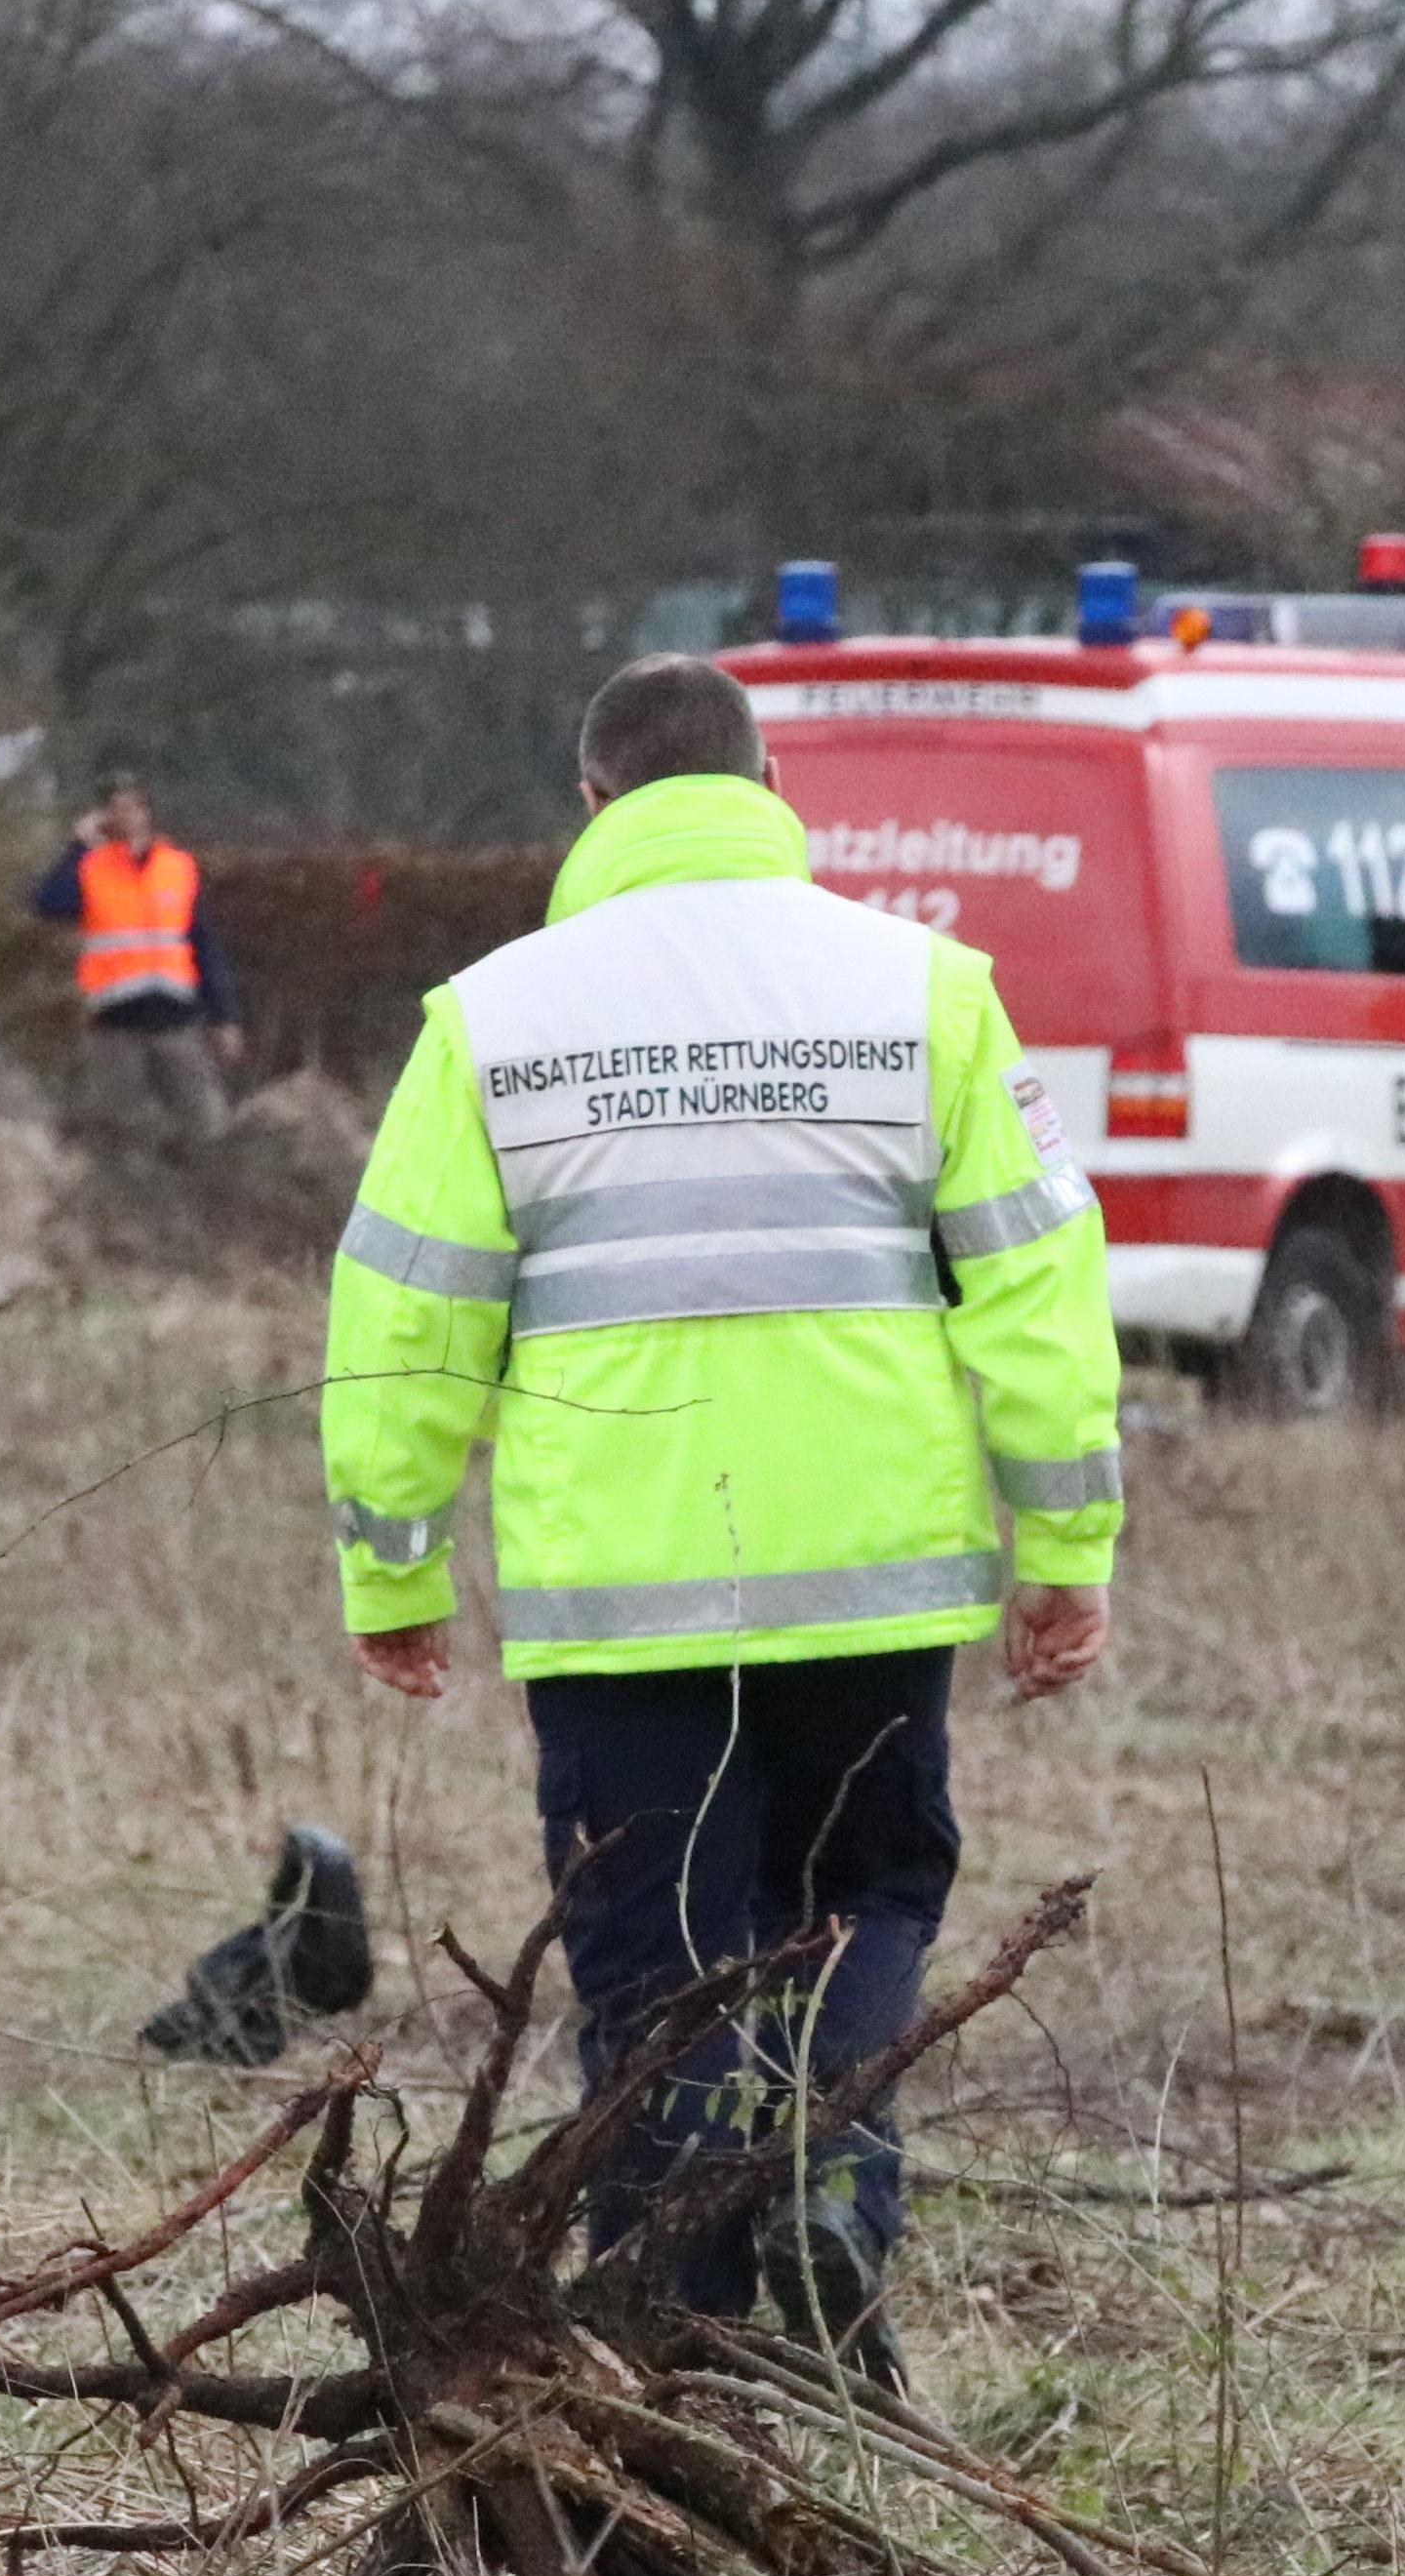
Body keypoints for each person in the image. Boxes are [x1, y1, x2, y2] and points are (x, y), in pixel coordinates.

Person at [319, 655, 1124, 2390]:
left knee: (656, 1968)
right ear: (773, 791)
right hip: (875, 1588)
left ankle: (672, 2352)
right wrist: (1066, 1550)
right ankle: (834, 2169)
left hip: (624, 1607)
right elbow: (1042, 1291)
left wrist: (389, 1567)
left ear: (594, 805)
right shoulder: (930, 993)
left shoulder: (494, 1019)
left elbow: (402, 1317)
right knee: (863, 1897)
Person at [27, 771, 242, 1147]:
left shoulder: (177, 867)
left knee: (209, 1129)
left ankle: (207, 1201)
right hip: (114, 1028)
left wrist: (224, 1017)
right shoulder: (89, 866)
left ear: (148, 811)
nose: (127, 815)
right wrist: (78, 845)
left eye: (134, 805)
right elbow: (48, 904)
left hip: (176, 1022)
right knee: (124, 1139)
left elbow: (202, 946)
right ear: (103, 816)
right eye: (117, 807)